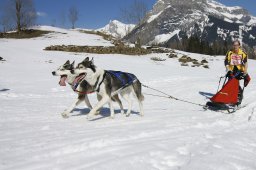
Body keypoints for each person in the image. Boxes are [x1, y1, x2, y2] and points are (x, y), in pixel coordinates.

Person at [224, 40, 250, 105]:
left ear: (239, 46)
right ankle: (228, 96)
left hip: (240, 70)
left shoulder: (242, 53)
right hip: (231, 70)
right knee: (230, 83)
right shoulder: (230, 52)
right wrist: (228, 69)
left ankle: (238, 95)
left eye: (237, 45)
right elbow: (226, 61)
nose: (235, 46)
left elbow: (246, 62)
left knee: (235, 83)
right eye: (234, 45)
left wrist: (245, 71)